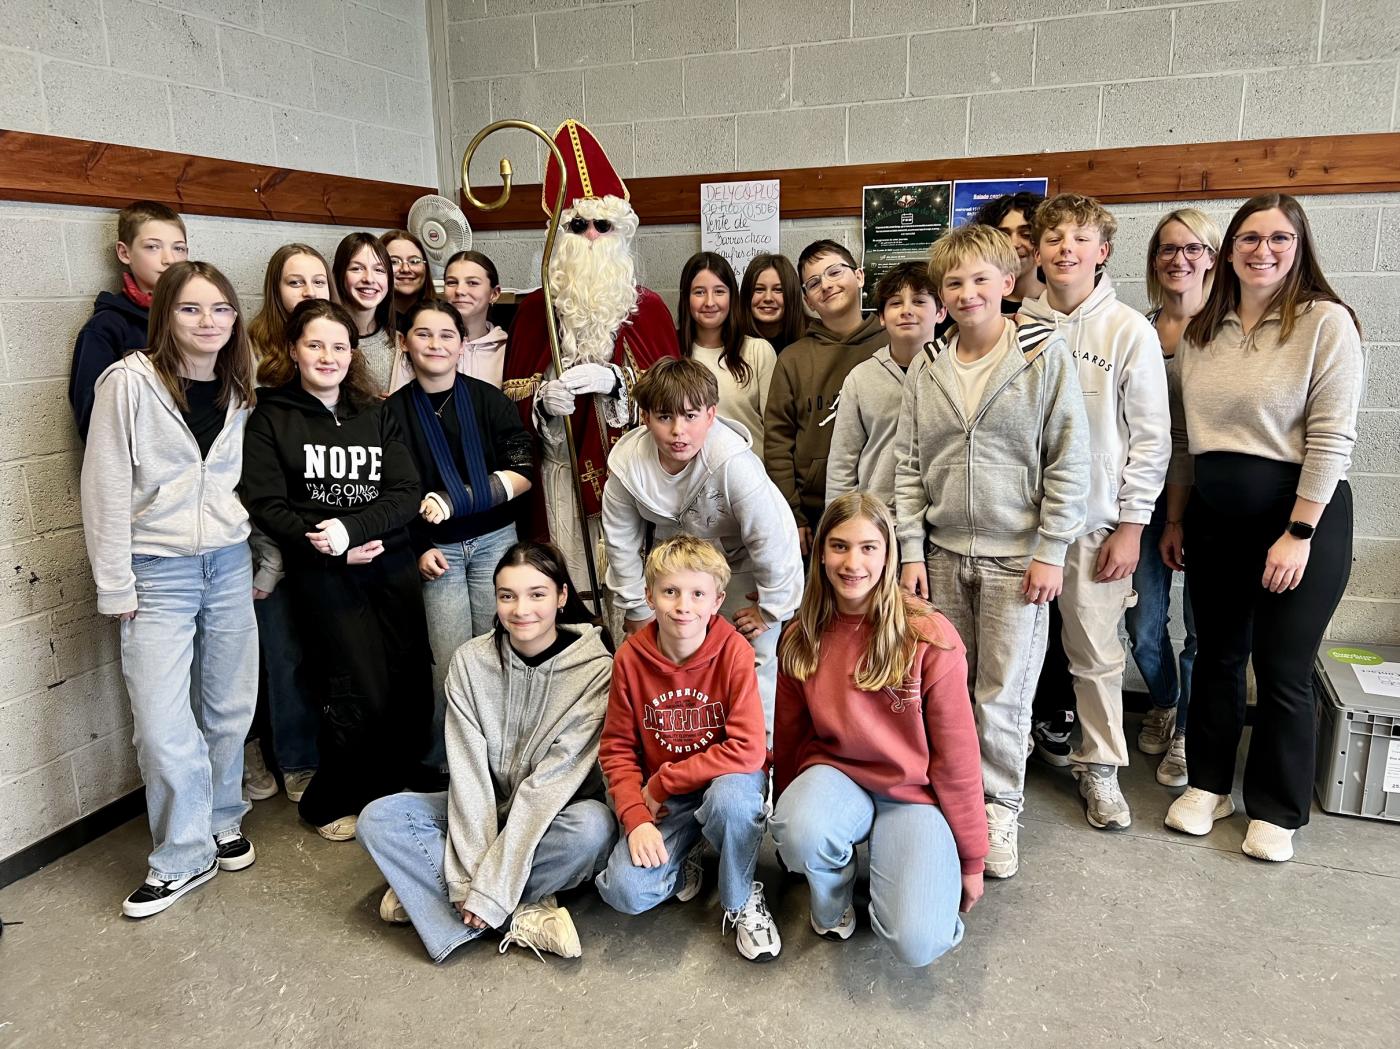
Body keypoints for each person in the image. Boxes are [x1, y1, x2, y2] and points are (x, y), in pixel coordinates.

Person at [1164, 194, 1362, 863]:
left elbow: (1333, 437)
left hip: (1299, 516)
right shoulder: (1201, 331)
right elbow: (1185, 439)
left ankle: (1277, 808)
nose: (1263, 250)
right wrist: (1176, 517)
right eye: (1249, 237)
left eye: (1279, 238)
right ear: (1229, 251)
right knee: (1217, 656)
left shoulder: (1325, 322)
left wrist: (1298, 533)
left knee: (1282, 667)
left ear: (1299, 247)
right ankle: (1209, 785)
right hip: (1214, 517)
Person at [895, 222, 1089, 879]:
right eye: (953, 282)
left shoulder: (1041, 354)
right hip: (943, 555)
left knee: (1002, 694)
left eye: (981, 278)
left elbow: (1069, 459)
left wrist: (1052, 548)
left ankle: (999, 806)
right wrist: (911, 550)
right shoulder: (928, 365)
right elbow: (909, 463)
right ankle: (953, 800)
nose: (967, 292)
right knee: (946, 690)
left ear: (1008, 282)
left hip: (1018, 559)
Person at [80, 260, 258, 918]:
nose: (208, 321)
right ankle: (182, 855)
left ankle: (221, 818)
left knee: (229, 706)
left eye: (220, 308)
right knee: (160, 722)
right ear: (164, 315)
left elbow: (243, 482)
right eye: (190, 308)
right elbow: (102, 486)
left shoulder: (241, 385)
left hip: (229, 561)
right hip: (157, 570)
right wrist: (114, 583)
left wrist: (261, 559)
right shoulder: (128, 383)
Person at [358, 542, 617, 963]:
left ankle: (436, 897)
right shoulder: (470, 661)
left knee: (594, 828)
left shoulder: (597, 672)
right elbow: (468, 774)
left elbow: (547, 788)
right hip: (482, 804)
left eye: (537, 594)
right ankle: (515, 915)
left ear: (561, 597)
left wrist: (490, 889)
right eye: (507, 596)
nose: (521, 609)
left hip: (553, 812)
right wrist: (469, 883)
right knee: (379, 819)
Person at [240, 299, 432, 842]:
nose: (328, 356)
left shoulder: (376, 412)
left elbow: (406, 490)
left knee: (406, 680)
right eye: (315, 344)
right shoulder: (271, 417)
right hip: (327, 576)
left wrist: (354, 529)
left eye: (339, 346)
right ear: (294, 350)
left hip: (390, 566)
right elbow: (268, 504)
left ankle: (391, 786)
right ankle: (328, 801)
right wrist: (333, 548)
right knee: (354, 689)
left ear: (353, 353)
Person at [771, 493, 986, 967]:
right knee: (801, 829)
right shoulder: (801, 635)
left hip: (913, 795)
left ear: (888, 554)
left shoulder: (929, 636)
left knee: (918, 943)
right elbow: (788, 737)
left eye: (868, 547)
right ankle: (834, 899)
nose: (853, 563)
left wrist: (972, 858)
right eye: (839, 546)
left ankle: (914, 871)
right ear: (820, 553)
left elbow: (958, 759)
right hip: (837, 777)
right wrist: (789, 831)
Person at [1018, 193, 1170, 832]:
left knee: (1096, 655)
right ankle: (1001, 764)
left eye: (1080, 239)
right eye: (1054, 238)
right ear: (1038, 251)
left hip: (1093, 525)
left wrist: (1131, 526)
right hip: (1018, 524)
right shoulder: (1014, 325)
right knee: (1008, 654)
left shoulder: (1128, 330)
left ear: (1102, 251)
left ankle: (1100, 767)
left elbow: (1152, 439)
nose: (1065, 250)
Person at [502, 119, 677, 601]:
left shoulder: (649, 308)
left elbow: (674, 399)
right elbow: (511, 401)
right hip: (559, 474)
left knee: (630, 590)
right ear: (559, 235)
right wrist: (541, 404)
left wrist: (618, 382)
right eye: (579, 225)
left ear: (620, 232)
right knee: (570, 588)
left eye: (604, 225)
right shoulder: (535, 311)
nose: (593, 236)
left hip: (630, 477)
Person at [594, 536, 779, 962]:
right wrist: (636, 817)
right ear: (649, 597)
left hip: (724, 782)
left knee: (731, 803)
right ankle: (687, 851)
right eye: (670, 592)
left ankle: (740, 896)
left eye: (697, 594)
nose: (683, 606)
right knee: (625, 891)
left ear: (717, 601)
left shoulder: (734, 651)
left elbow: (748, 749)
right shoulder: (630, 660)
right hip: (667, 801)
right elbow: (617, 749)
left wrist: (663, 782)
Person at [601, 357, 803, 734]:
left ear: (711, 415)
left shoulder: (735, 463)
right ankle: (687, 748)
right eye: (664, 417)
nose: (678, 431)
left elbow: (773, 538)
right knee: (680, 663)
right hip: (676, 566)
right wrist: (636, 606)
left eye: (691, 416)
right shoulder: (628, 466)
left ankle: (760, 756)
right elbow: (620, 542)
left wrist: (771, 608)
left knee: (753, 661)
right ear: (645, 417)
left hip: (742, 565)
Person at [384, 299, 533, 771]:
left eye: (447, 334)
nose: (436, 344)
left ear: (462, 344)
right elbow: (389, 494)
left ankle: (504, 757)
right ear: (403, 343)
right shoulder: (390, 415)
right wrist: (418, 547)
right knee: (449, 661)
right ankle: (450, 764)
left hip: (495, 543)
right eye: (423, 334)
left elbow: (524, 472)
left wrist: (458, 499)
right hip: (437, 552)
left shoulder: (490, 401)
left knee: (502, 650)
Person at [244, 242, 337, 804]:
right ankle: (296, 761)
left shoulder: (335, 350)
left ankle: (326, 754)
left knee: (321, 650)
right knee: (282, 653)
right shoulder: (253, 352)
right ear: (275, 290)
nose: (307, 291)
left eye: (317, 281)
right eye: (294, 282)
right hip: (271, 529)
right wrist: (274, 549)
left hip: (328, 529)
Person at [1132, 208, 1220, 788]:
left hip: (1210, 495)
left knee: (1201, 631)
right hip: (1145, 493)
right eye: (1167, 248)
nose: (1179, 259)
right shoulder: (1138, 329)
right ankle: (1165, 701)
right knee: (1142, 625)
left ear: (1212, 257)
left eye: (1193, 248)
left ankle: (1188, 728)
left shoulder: (1226, 330)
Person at [764, 240, 888, 557]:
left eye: (835, 272)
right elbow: (778, 444)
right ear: (807, 300)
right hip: (815, 514)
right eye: (814, 282)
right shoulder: (793, 359)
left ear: (859, 276)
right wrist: (793, 513)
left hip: (887, 508)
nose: (827, 285)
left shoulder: (894, 343)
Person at [826, 261, 945, 509]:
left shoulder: (956, 372)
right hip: (878, 517)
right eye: (895, 303)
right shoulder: (860, 378)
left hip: (940, 516)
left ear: (941, 312)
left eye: (919, 301)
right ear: (881, 317)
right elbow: (842, 461)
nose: (906, 310)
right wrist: (838, 519)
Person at [69, 200, 188, 440]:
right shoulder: (106, 327)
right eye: (153, 247)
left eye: (179, 248)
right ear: (125, 253)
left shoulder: (201, 319)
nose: (169, 259)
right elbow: (92, 419)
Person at [678, 251, 777, 461]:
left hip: (751, 473)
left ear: (732, 296)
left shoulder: (758, 351)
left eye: (719, 291)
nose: (710, 302)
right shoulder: (674, 353)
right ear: (686, 297)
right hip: (694, 476)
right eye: (699, 292)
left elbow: (776, 430)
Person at [332, 232, 398, 394]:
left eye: (379, 270)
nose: (369, 278)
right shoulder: (324, 340)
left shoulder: (400, 341)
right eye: (357, 268)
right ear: (340, 275)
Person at [437, 250, 508, 387]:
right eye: (452, 282)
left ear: (494, 293)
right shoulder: (427, 343)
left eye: (472, 283)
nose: (460, 291)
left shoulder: (508, 350)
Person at [972, 191, 1045, 314]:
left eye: (1026, 234)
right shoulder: (974, 304)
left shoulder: (1061, 301)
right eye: (1003, 235)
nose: (1013, 244)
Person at [737, 253, 806, 354]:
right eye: (759, 289)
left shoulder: (813, 338)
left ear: (792, 294)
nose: (768, 298)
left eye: (778, 290)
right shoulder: (731, 339)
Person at [381, 229, 433, 336]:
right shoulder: (367, 323)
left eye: (414, 261)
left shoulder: (445, 316)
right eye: (394, 261)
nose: (405, 269)